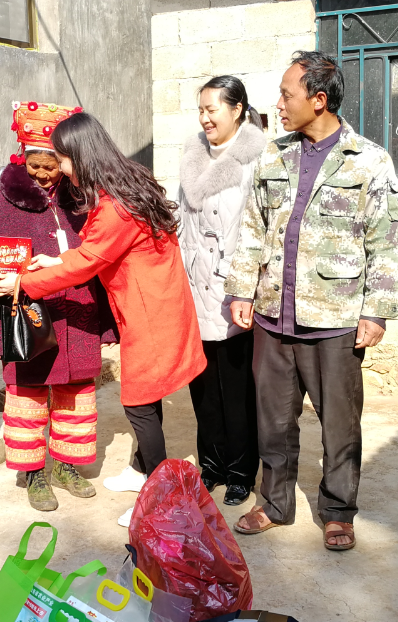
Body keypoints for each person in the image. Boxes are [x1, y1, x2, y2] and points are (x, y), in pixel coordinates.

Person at [0, 112, 207, 528]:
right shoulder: (129, 182)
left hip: (149, 314)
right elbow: (95, 250)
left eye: (62, 159)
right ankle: (142, 470)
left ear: (80, 156)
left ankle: (161, 500)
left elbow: (87, 263)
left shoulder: (115, 207)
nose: (60, 168)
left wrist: (23, 283)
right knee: (148, 397)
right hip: (156, 304)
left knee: (138, 403)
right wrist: (56, 260)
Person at [226, 51, 398, 550]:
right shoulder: (273, 155)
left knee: (340, 424)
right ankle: (275, 503)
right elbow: (253, 229)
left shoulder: (369, 160)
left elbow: (384, 242)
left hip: (336, 316)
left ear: (319, 100)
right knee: (273, 421)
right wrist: (241, 288)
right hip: (273, 314)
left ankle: (338, 511)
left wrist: (376, 311)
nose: (278, 105)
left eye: (287, 95)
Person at [0, 102, 119, 512]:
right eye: (35, 165)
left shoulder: (83, 200)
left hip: (77, 309)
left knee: (76, 390)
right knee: (29, 390)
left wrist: (106, 320)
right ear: (21, 158)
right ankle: (34, 471)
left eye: (51, 165)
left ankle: (66, 465)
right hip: (30, 313)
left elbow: (98, 258)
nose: (42, 174)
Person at [178, 76, 266, 507]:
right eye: (201, 110)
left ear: (237, 110)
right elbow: (181, 222)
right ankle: (210, 465)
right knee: (202, 386)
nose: (205, 118)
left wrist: (245, 287)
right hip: (193, 286)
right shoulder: (193, 156)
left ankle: (241, 471)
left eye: (212, 109)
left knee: (237, 388)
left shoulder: (257, 160)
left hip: (235, 291)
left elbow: (261, 229)